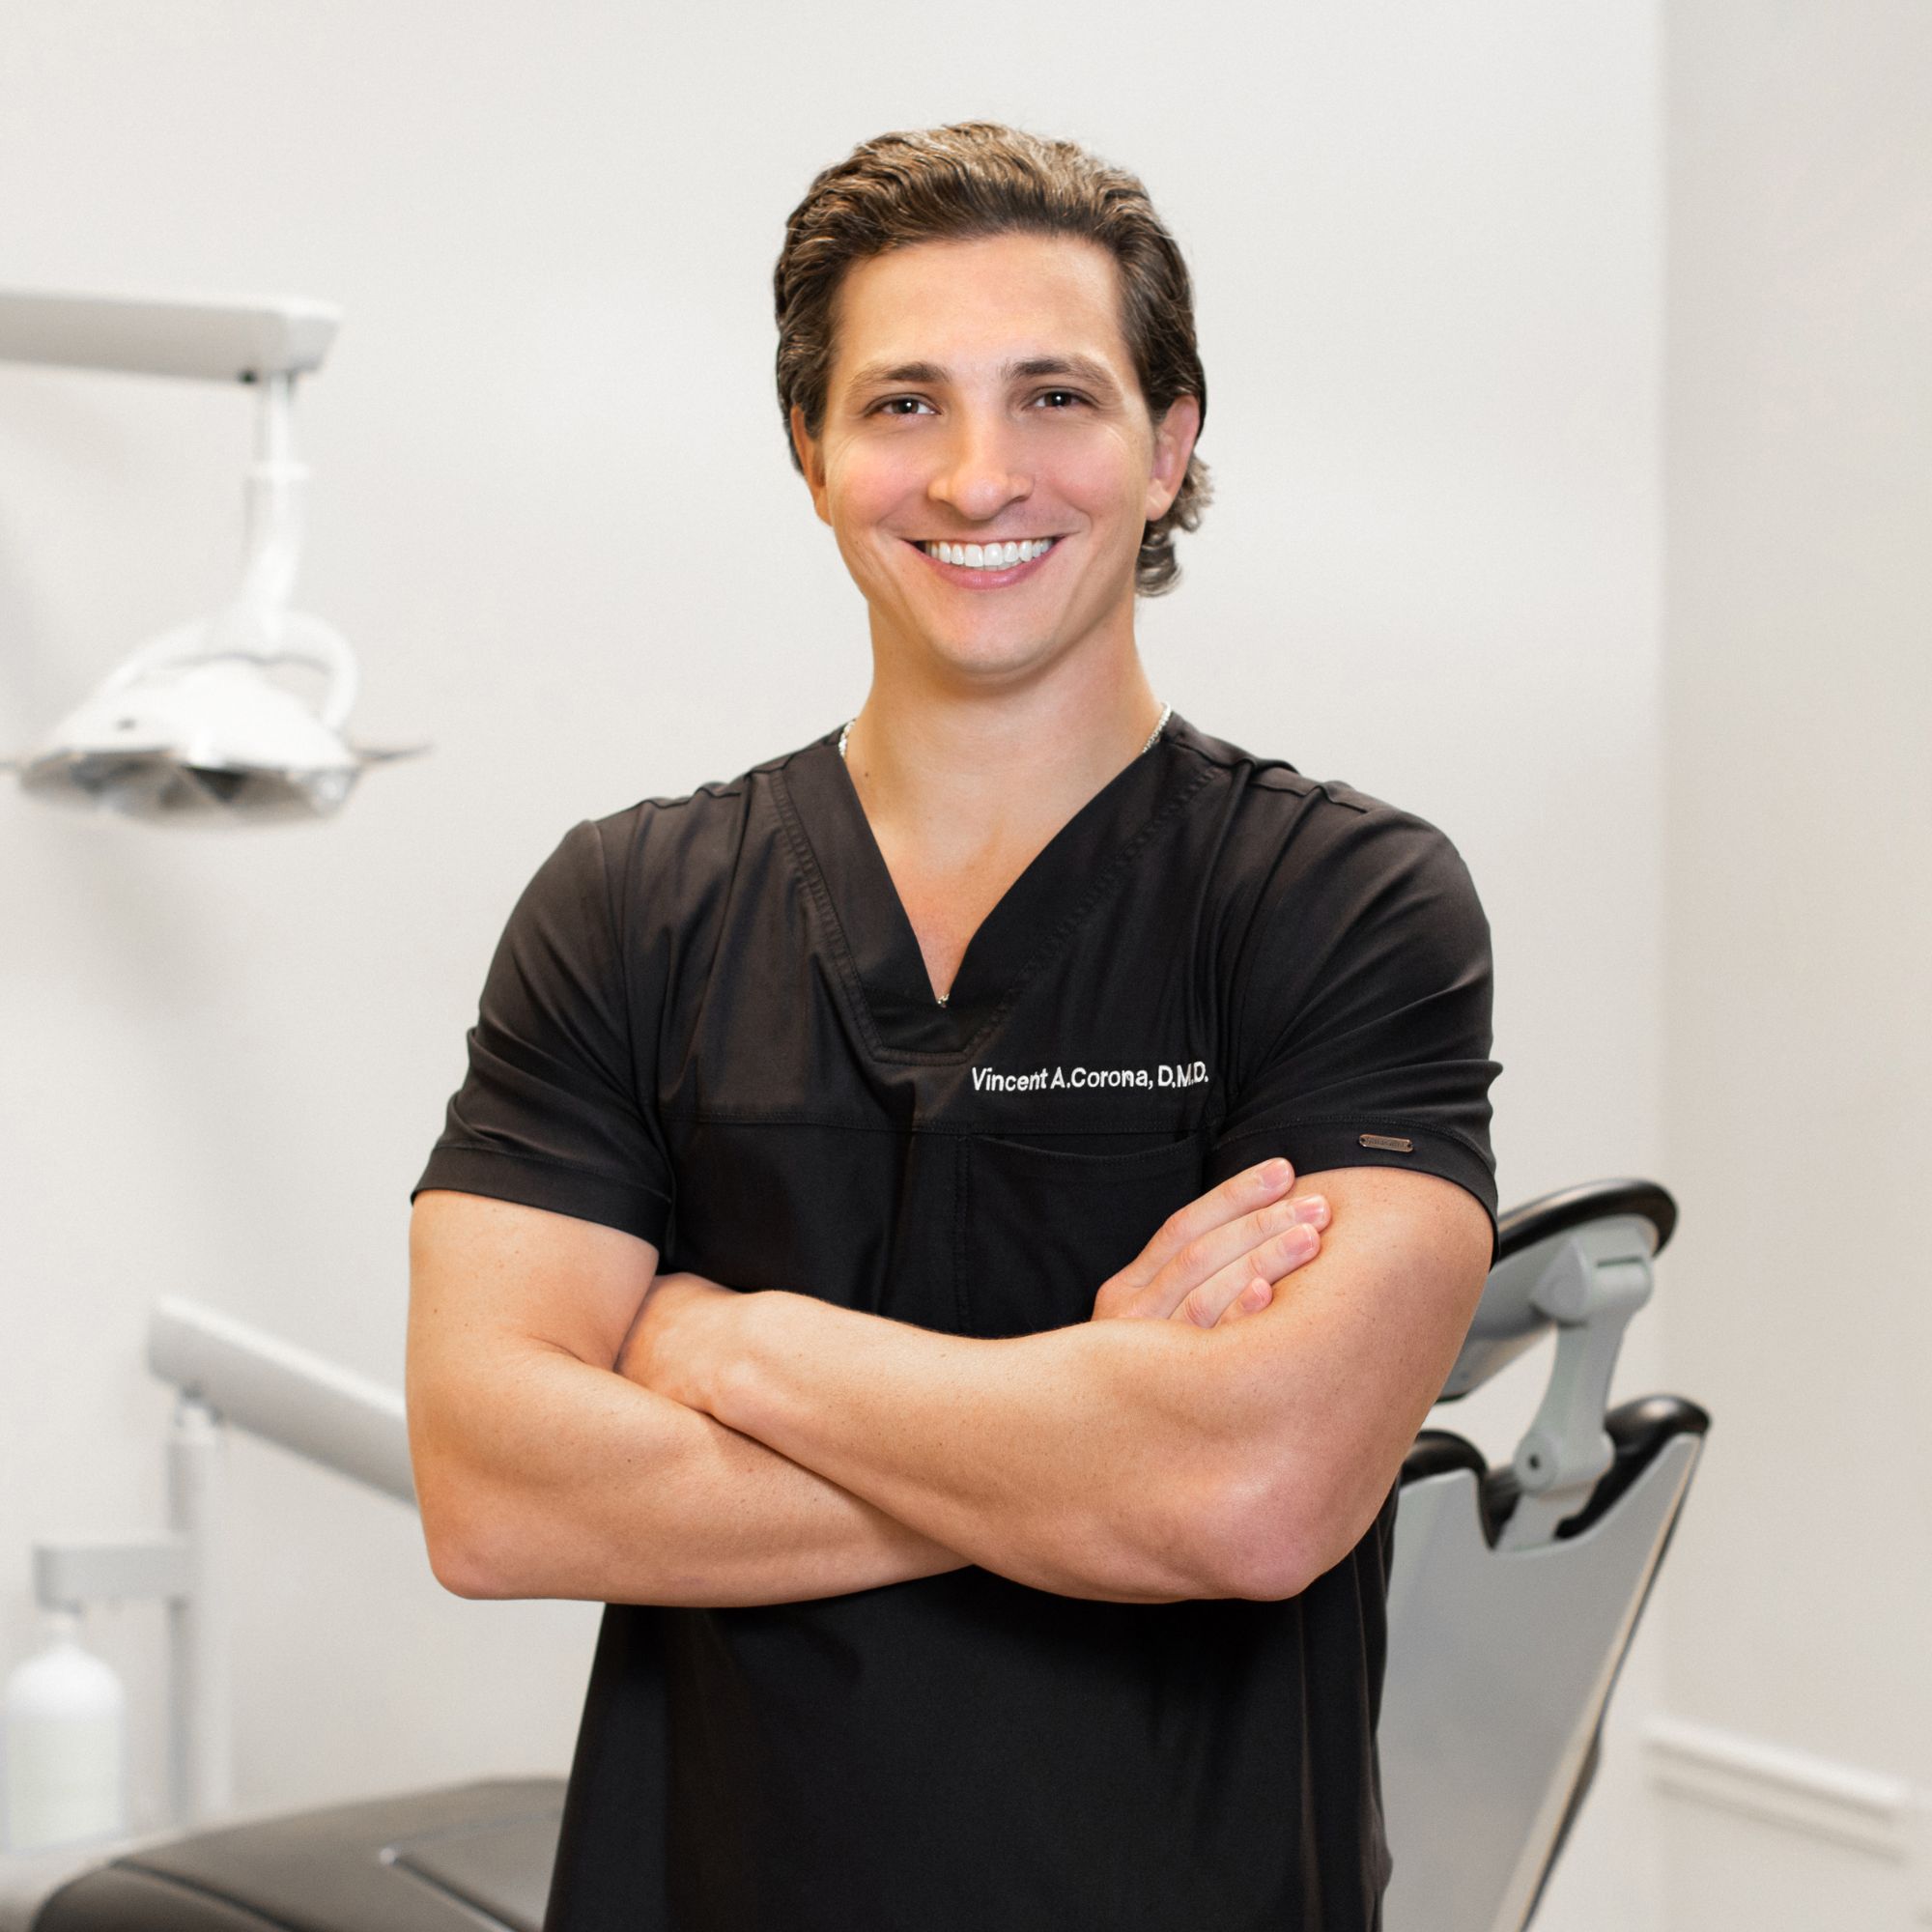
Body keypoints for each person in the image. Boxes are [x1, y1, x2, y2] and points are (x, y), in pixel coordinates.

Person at [406, 121, 1501, 1931]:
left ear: (1169, 444)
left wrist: (726, 1343)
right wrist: (1095, 1433)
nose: (980, 477)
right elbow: (494, 1492)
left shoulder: (1339, 904)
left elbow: (1253, 1492)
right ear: (810, 454)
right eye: (904, 403)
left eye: (1055, 396)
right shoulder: (630, 908)